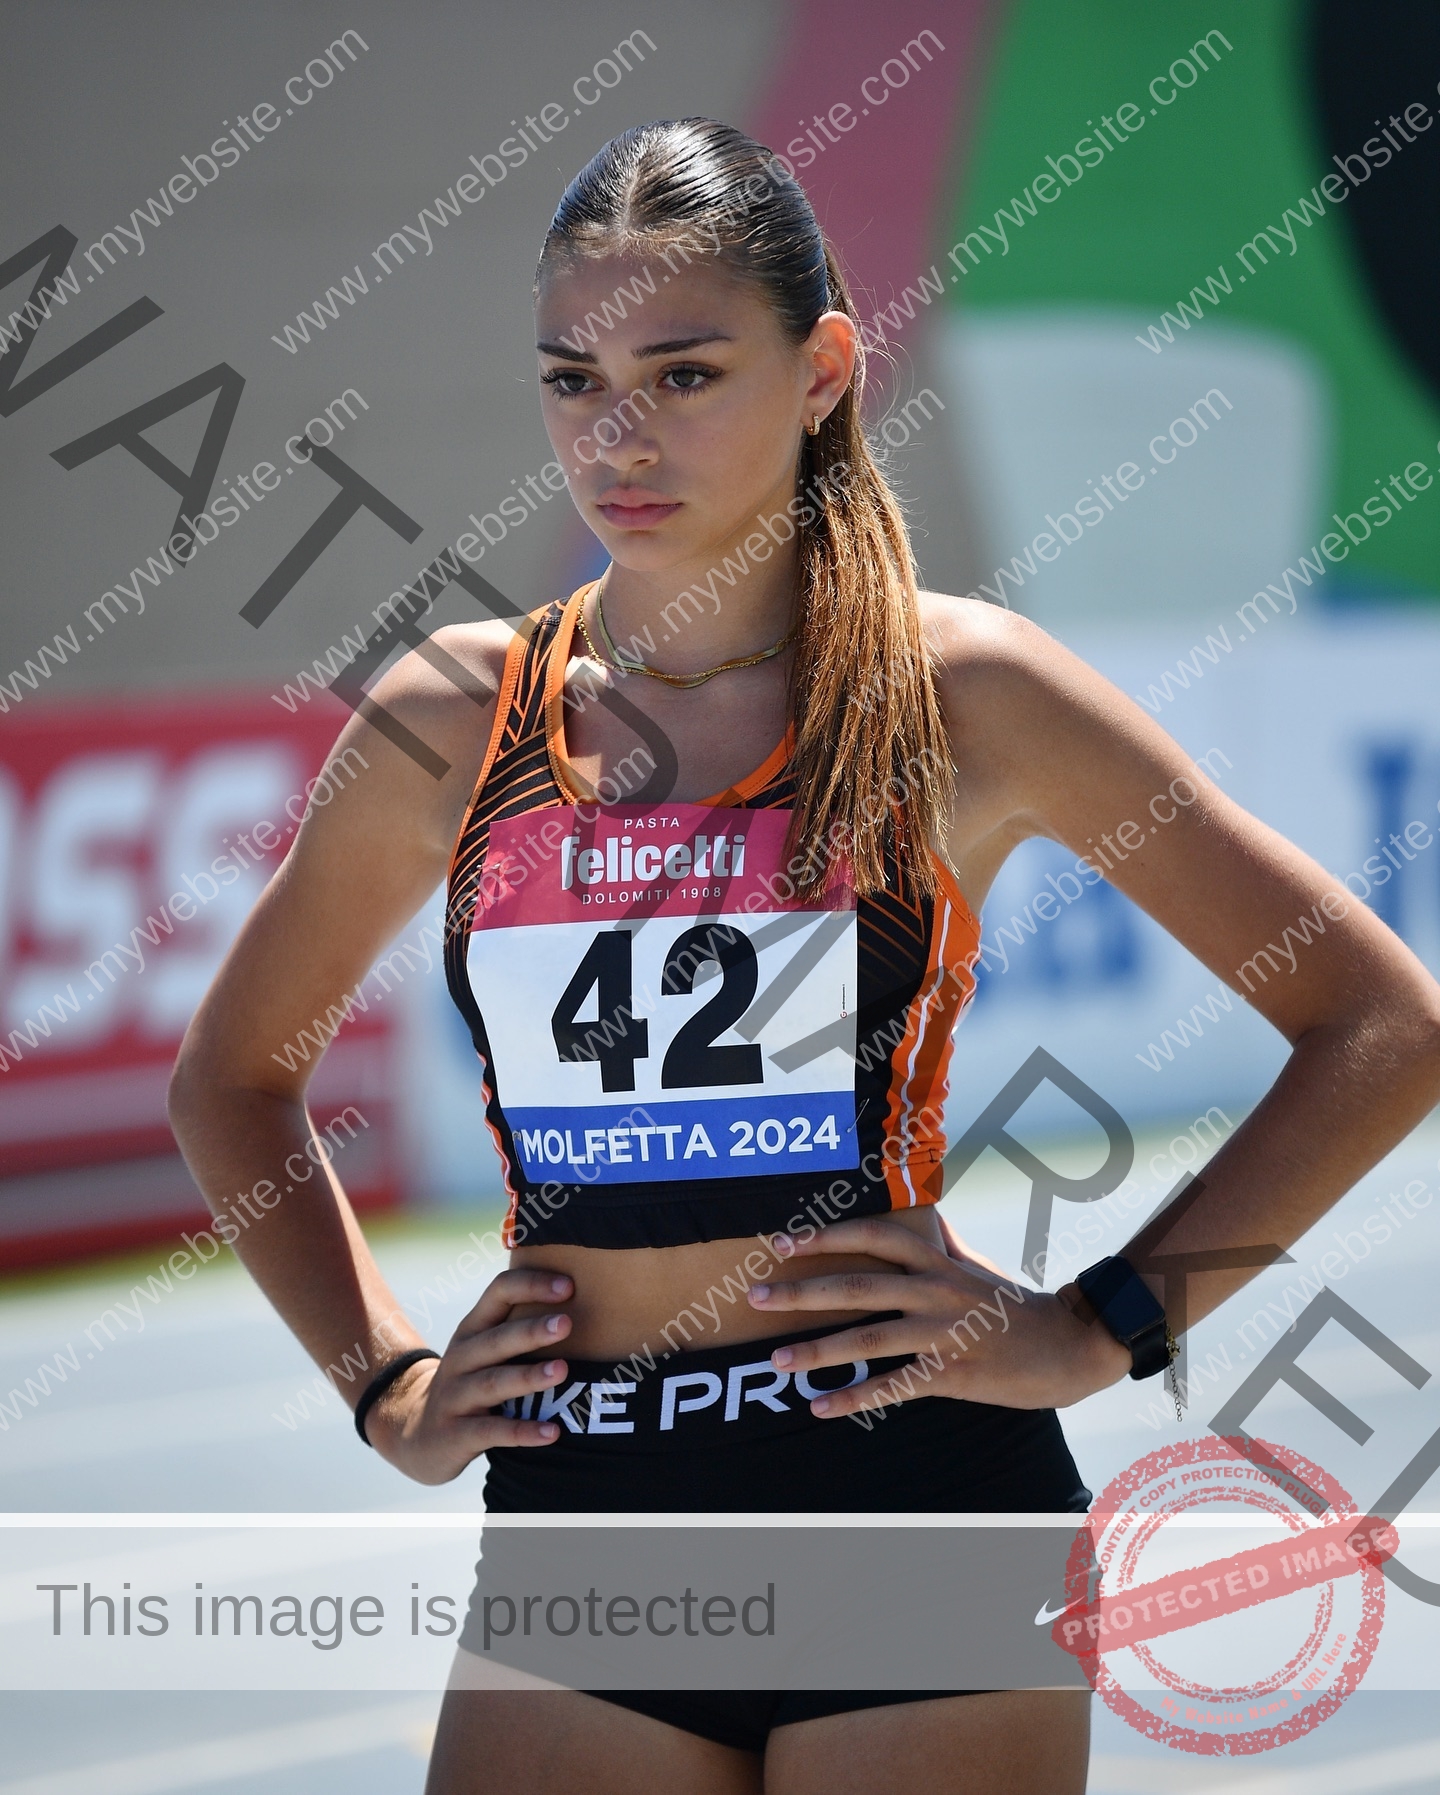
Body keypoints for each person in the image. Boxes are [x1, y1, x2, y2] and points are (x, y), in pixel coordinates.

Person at [169, 118, 1440, 1795]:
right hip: (587, 1514)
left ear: (825, 366)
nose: (614, 433)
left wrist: (1098, 1325)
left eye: (683, 373)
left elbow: (1378, 1022)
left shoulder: (967, 696)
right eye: (571, 378)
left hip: (912, 1501)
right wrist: (388, 1385)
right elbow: (235, 1083)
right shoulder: (451, 722)